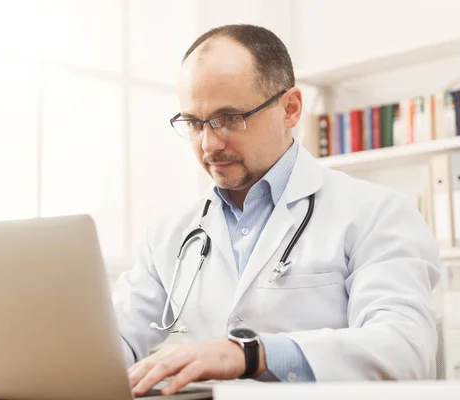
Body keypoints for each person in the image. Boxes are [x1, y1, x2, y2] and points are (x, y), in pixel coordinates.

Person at [112, 24, 441, 396]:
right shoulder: (169, 232)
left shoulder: (376, 213)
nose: (209, 143)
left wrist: (252, 353)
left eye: (230, 118)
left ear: (290, 108)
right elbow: (115, 337)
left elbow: (405, 350)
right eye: (193, 123)